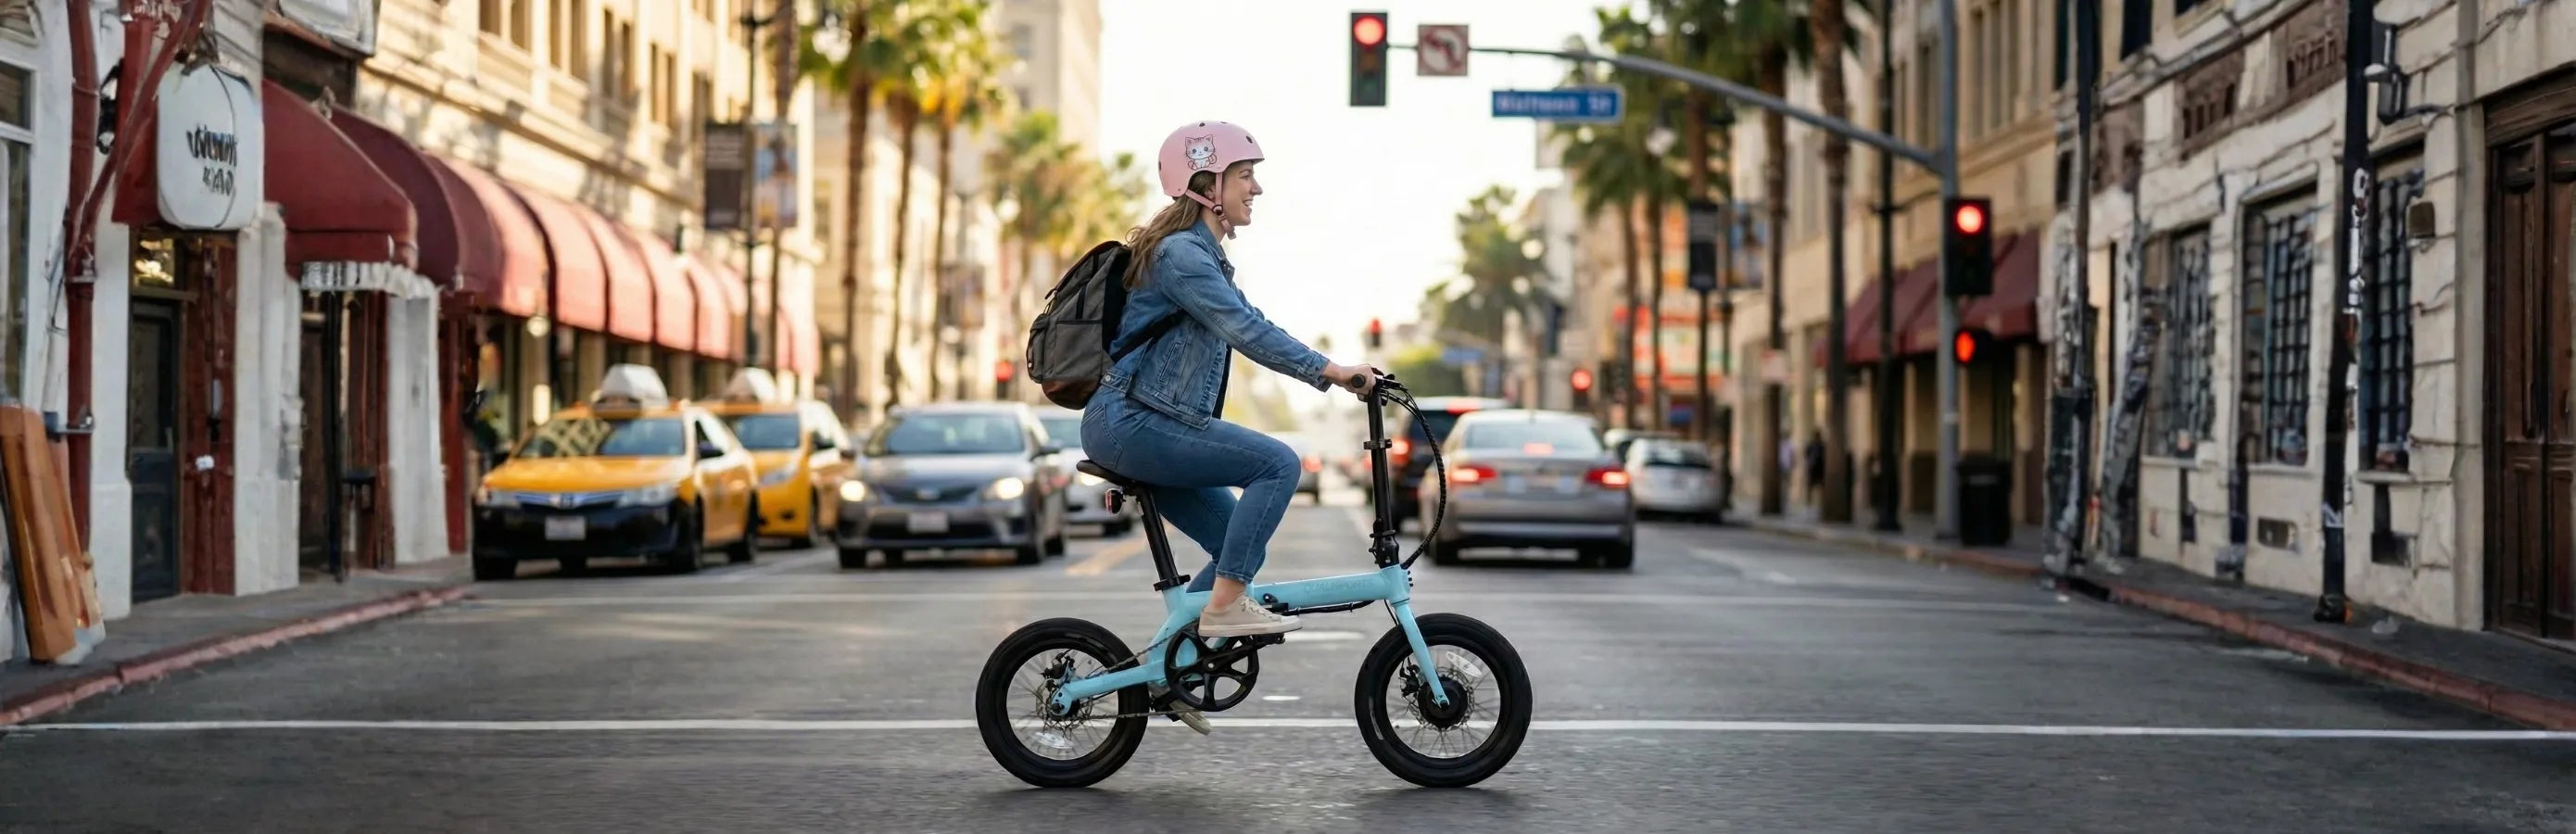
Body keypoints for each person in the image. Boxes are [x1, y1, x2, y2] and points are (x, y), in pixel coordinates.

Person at [1080, 120, 1378, 641]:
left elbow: (1254, 320)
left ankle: (1169, 663)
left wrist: (1338, 368)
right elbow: (1245, 331)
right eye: (1244, 176)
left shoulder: (1202, 257)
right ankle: (1222, 611)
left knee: (1239, 546)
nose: (1256, 188)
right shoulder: (1182, 256)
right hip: (1130, 420)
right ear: (1205, 186)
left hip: (1147, 420)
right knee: (1279, 462)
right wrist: (1331, 372)